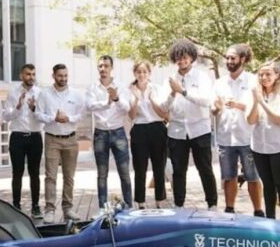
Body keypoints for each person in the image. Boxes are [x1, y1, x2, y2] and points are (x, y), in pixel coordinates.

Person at [163, 39, 218, 210]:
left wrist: (184, 92)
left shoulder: (201, 77)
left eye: (185, 57)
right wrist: (173, 93)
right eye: (178, 58)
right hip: (177, 131)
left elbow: (207, 100)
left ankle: (212, 204)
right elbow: (164, 106)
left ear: (192, 58)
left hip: (200, 129)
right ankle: (179, 205)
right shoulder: (171, 79)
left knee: (205, 169)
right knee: (179, 171)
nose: (182, 61)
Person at [213, 44, 263, 216]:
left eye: (232, 58)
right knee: (228, 176)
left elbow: (257, 106)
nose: (229, 61)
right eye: (227, 58)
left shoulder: (253, 80)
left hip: (248, 136)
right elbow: (215, 106)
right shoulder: (219, 83)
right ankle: (229, 210)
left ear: (242, 59)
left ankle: (258, 211)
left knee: (253, 176)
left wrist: (237, 105)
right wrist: (215, 108)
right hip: (225, 136)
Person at [36, 64, 85, 222]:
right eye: (60, 76)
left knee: (69, 177)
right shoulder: (44, 94)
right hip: (52, 139)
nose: (63, 79)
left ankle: (68, 208)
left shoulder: (76, 95)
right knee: (50, 176)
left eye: (65, 76)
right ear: (53, 76)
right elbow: (38, 114)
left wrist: (68, 118)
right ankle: (50, 209)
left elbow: (81, 114)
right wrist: (53, 118)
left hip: (71, 139)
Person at [247, 61, 280, 222]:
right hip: (259, 146)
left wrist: (262, 102)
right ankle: (270, 219)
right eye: (261, 74)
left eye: (268, 74)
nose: (264, 77)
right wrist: (256, 101)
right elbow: (251, 120)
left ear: (276, 75)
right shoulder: (254, 93)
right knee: (267, 185)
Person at [87, 55, 133, 212]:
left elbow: (127, 108)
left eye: (106, 66)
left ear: (111, 68)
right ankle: (102, 209)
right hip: (100, 133)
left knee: (124, 172)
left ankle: (128, 207)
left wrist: (116, 98)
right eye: (100, 66)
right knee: (101, 174)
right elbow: (90, 106)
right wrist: (107, 102)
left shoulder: (120, 86)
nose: (103, 69)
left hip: (118, 132)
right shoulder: (93, 88)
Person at [3, 63, 43, 217]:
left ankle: (35, 206)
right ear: (21, 75)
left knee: (35, 173)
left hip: (35, 137)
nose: (31, 77)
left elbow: (43, 115)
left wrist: (34, 109)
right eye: (28, 74)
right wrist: (18, 106)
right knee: (17, 173)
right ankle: (16, 205)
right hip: (18, 137)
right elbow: (6, 117)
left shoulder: (40, 93)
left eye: (33, 74)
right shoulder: (13, 93)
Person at [127, 61, 169, 209]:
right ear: (135, 73)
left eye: (145, 72)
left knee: (159, 166)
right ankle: (140, 201)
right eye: (139, 72)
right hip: (139, 128)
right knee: (140, 167)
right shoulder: (129, 90)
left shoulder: (157, 88)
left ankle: (160, 199)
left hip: (157, 127)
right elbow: (131, 116)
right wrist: (137, 98)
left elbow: (164, 114)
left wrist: (151, 100)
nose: (142, 74)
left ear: (149, 73)